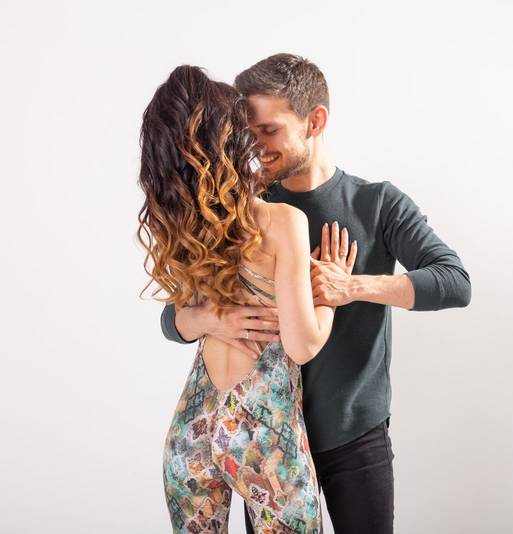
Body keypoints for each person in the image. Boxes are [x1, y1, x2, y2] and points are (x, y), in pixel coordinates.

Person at [160, 54, 472, 534]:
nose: (255, 146)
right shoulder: (248, 208)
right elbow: (173, 316)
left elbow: (454, 282)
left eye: (268, 130)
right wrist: (210, 320)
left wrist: (352, 286)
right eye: (247, 132)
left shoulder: (376, 203)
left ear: (315, 121)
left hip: (354, 437)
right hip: (266, 438)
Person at [138, 65, 347, 533]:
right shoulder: (281, 221)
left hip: (192, 430)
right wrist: (329, 294)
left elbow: (180, 320)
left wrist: (210, 320)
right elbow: (302, 346)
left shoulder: (187, 229)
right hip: (260, 434)